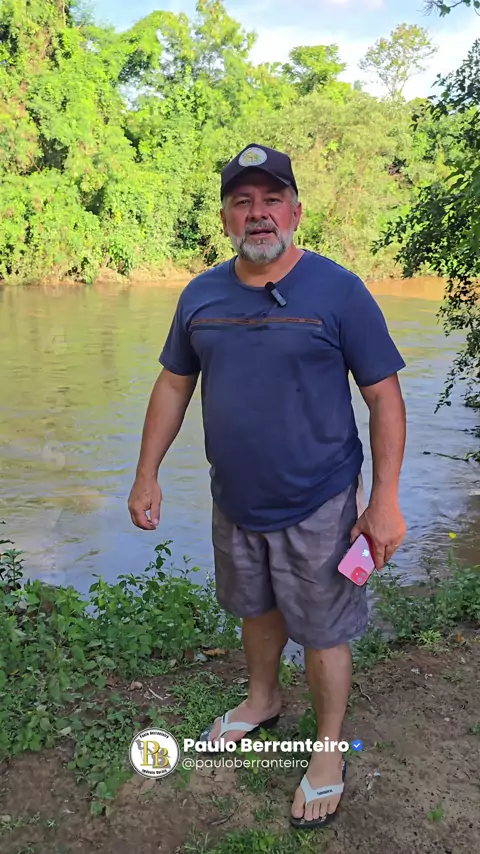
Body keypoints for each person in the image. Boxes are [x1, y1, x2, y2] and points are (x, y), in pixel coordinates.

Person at [128, 143, 407, 830]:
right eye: (242, 201)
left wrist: (384, 500)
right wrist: (146, 473)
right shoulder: (200, 294)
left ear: (296, 212)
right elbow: (174, 384)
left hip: (321, 500)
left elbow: (384, 397)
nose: (258, 213)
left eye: (271, 200)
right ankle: (262, 700)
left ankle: (328, 751)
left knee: (323, 630)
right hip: (235, 498)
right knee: (254, 609)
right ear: (226, 218)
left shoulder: (339, 291)